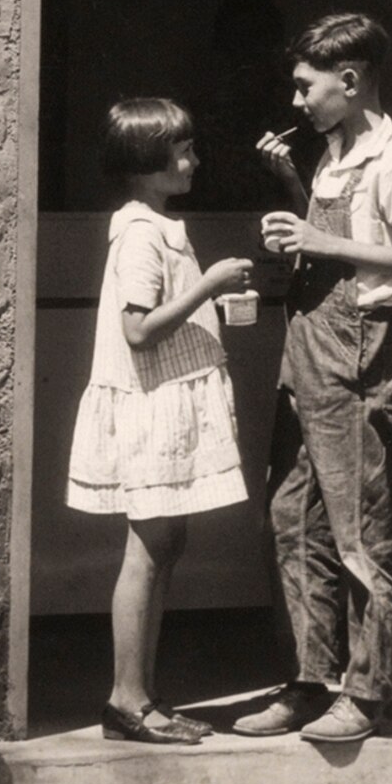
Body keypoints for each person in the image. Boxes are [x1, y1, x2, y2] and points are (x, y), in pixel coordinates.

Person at [237, 11, 392, 743]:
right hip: (307, 356)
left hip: (358, 362)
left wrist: (319, 237)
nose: (296, 102)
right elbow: (341, 248)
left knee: (361, 534)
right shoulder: (332, 155)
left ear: (349, 82)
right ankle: (307, 681)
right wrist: (292, 192)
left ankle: (367, 691)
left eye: (305, 87)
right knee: (292, 523)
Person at [66, 94, 256, 745]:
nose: (193, 159)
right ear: (148, 162)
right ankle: (125, 699)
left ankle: (141, 691)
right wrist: (209, 286)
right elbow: (138, 329)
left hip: (168, 405)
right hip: (149, 410)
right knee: (146, 551)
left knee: (165, 545)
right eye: (182, 149)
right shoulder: (141, 235)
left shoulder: (159, 226)